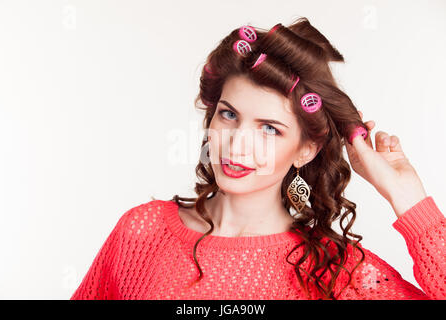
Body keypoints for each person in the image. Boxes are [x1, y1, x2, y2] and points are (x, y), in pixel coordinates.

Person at [70, 18, 445, 300]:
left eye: (269, 129)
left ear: (306, 149)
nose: (237, 144)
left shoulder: (336, 272)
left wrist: (407, 198)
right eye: (229, 114)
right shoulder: (143, 231)